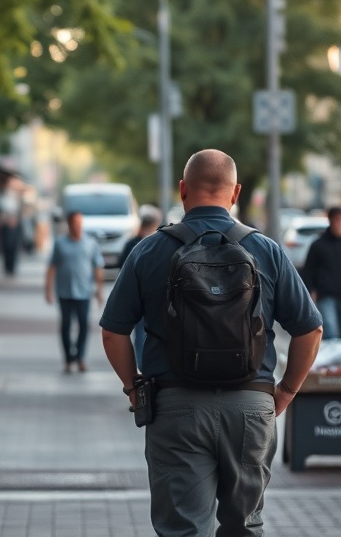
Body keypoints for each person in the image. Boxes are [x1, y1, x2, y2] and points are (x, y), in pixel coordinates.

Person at [100, 149, 323, 537]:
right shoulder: (267, 251)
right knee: (245, 527)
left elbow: (112, 331)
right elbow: (310, 330)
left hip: (175, 406)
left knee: (183, 529)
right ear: (235, 192)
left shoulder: (150, 250)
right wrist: (284, 392)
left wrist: (135, 389)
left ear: (183, 189)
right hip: (252, 406)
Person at [45, 210, 105, 373]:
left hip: (84, 292)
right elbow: (51, 267)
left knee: (84, 325)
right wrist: (48, 289)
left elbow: (97, 268)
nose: (78, 227)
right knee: (65, 326)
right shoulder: (60, 244)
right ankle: (68, 359)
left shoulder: (90, 243)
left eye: (80, 224)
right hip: (64, 292)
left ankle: (80, 357)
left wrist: (99, 291)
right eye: (75, 224)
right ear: (69, 224)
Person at [301, 205, 341, 339]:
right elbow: (308, 270)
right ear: (330, 221)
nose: (338, 223)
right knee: (330, 332)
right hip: (325, 295)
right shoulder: (318, 244)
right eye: (335, 219)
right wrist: (311, 291)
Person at [118, 205, 162, 370]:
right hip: (155, 295)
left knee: (139, 331)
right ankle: (146, 364)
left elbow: (121, 266)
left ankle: (142, 365)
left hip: (135, 293)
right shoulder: (159, 244)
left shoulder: (132, 244)